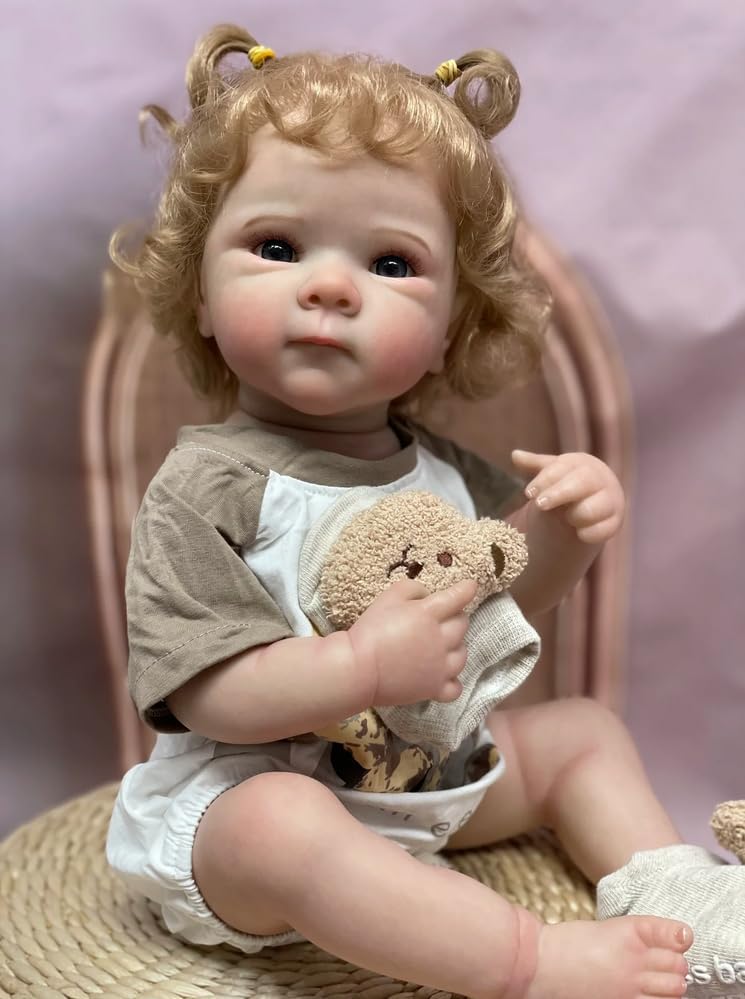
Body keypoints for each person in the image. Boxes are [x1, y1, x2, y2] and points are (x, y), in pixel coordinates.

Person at [105, 24, 741, 999]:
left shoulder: (438, 472)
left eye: (391, 264)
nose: (329, 287)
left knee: (578, 731)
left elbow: (508, 599)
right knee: (281, 822)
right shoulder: (207, 488)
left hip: (422, 785)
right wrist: (359, 669)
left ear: (450, 328)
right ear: (197, 292)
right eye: (276, 247)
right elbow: (208, 694)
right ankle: (526, 961)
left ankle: (676, 896)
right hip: (249, 811)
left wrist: (564, 529)